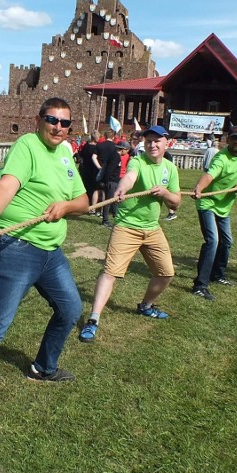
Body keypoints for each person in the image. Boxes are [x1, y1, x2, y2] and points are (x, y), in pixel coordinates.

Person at [0, 98, 88, 451]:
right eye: (52, 120)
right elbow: (6, 185)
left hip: (51, 253)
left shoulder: (65, 152)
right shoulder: (27, 145)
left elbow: (84, 201)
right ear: (38, 120)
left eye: (65, 122)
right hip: (16, 248)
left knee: (71, 309)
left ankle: (43, 367)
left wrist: (66, 206)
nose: (58, 127)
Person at [79, 126, 181, 343]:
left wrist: (164, 193)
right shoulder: (137, 161)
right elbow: (130, 177)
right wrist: (122, 189)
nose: (152, 145)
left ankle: (145, 306)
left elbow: (177, 202)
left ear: (166, 143)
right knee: (110, 272)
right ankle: (93, 320)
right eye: (149, 141)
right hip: (127, 226)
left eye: (157, 141)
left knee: (166, 273)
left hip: (152, 228)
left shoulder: (170, 169)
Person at [190, 127, 237, 301]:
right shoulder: (221, 157)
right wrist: (199, 188)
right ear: (227, 140)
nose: (236, 142)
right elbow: (210, 175)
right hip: (207, 203)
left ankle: (218, 275)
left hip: (224, 206)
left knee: (227, 241)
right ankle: (200, 286)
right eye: (233, 138)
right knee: (213, 241)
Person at [93, 131, 121, 227]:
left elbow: (94, 157)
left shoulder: (100, 145)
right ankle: (105, 219)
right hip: (111, 180)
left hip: (107, 176)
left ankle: (116, 216)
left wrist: (99, 168)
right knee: (109, 200)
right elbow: (110, 169)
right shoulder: (115, 155)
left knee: (114, 200)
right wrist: (105, 179)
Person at [77, 133, 100, 208]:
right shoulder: (96, 148)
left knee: (85, 185)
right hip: (93, 168)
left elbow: (81, 155)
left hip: (85, 168)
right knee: (92, 187)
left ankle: (84, 201)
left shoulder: (85, 146)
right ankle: (89, 201)